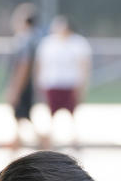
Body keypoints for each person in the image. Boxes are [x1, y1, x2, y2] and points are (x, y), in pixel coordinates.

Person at [35, 15, 93, 149]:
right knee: (51, 112)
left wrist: (82, 85)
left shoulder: (78, 43)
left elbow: (83, 65)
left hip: (70, 83)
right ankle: (50, 139)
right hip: (52, 83)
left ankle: (74, 139)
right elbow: (40, 64)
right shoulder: (48, 43)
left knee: (72, 112)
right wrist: (40, 82)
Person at [4, 2, 44, 150]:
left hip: (25, 83)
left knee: (22, 112)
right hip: (30, 82)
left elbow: (23, 65)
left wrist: (15, 88)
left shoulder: (24, 40)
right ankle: (17, 139)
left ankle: (41, 140)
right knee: (22, 114)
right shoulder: (36, 37)